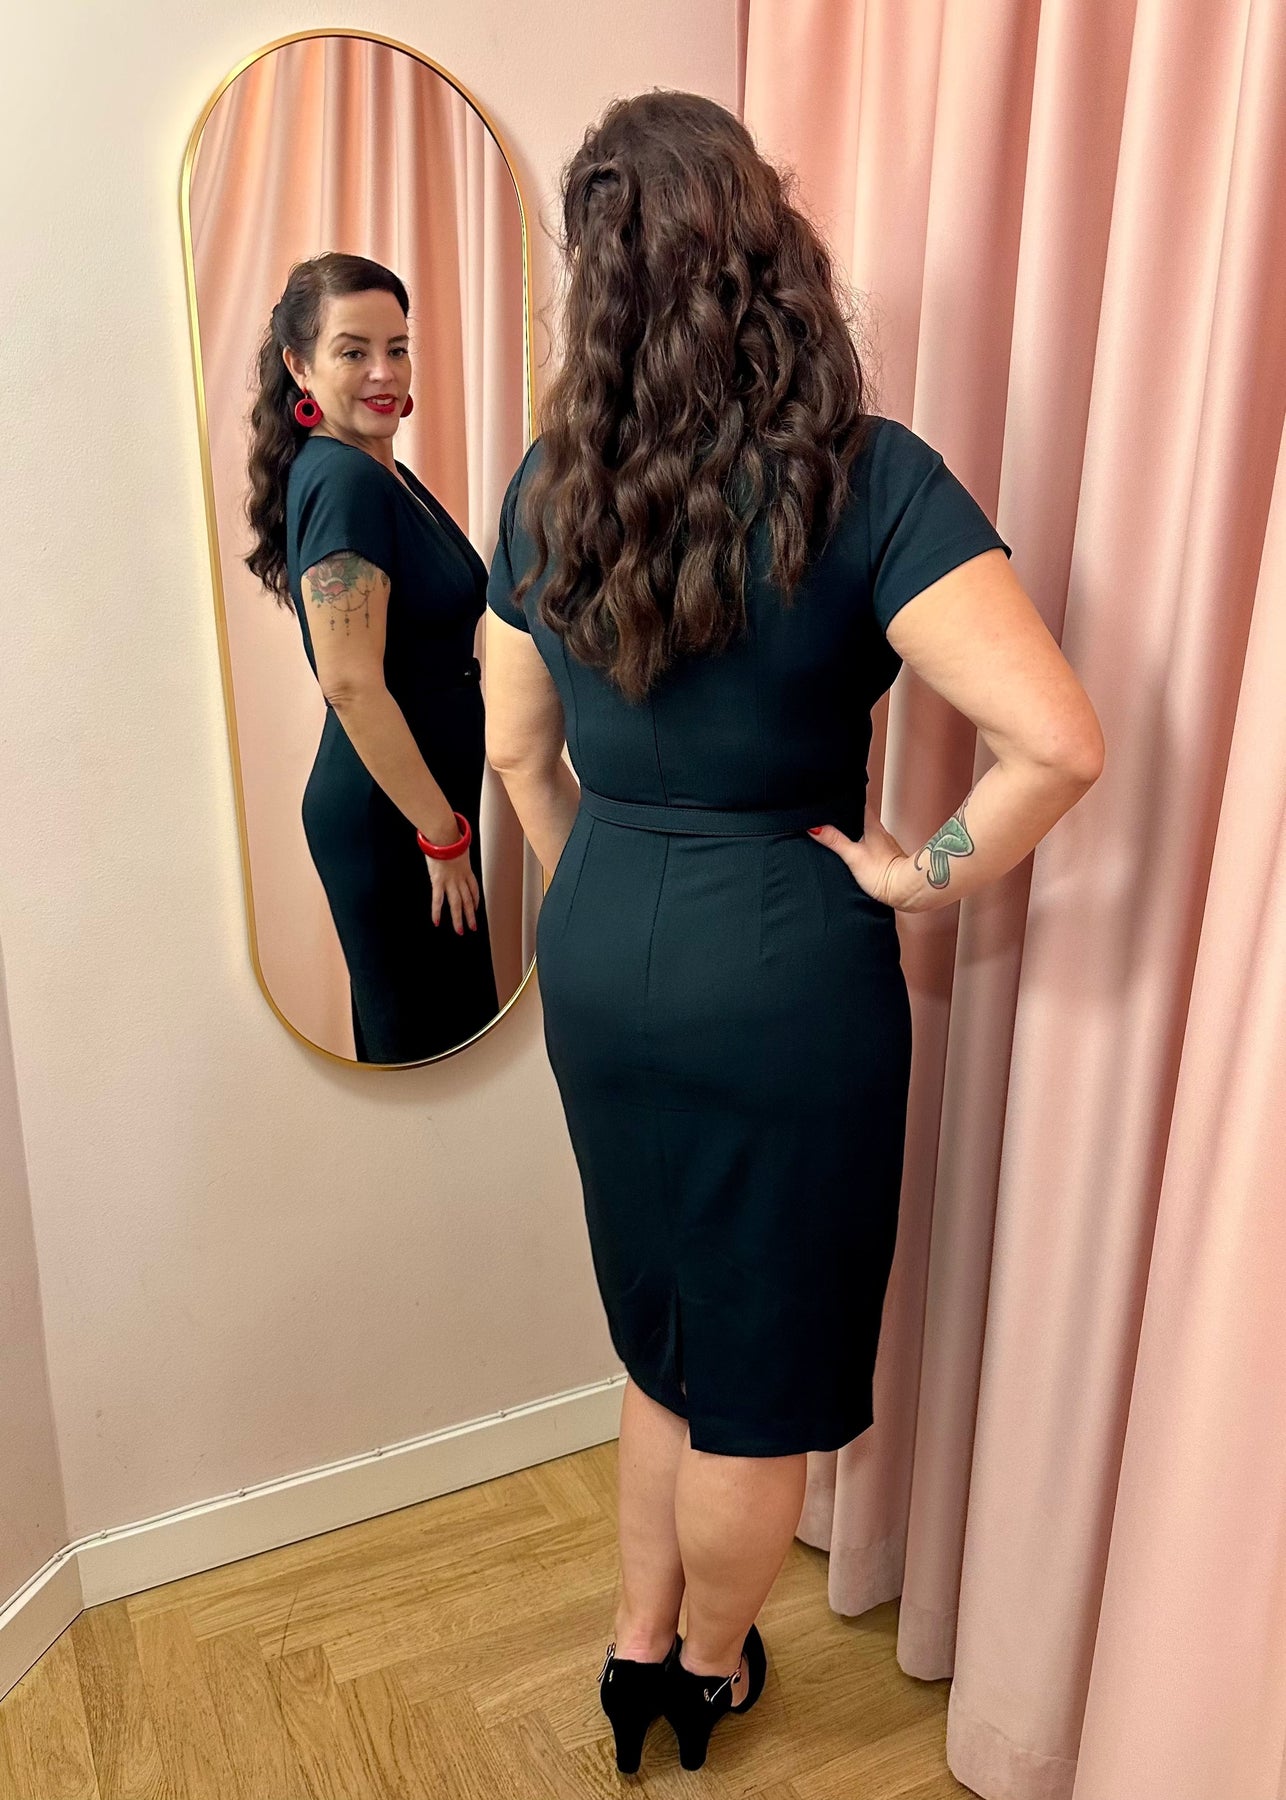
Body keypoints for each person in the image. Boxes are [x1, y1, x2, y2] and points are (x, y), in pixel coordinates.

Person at [484, 92, 1104, 1773]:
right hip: (781, 964)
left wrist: (601, 888)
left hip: (600, 951)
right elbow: (1056, 746)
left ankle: (632, 1653)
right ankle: (706, 1670)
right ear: (769, 245)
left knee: (663, 1341)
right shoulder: (865, 475)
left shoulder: (549, 481)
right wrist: (916, 876)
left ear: (598, 277)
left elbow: (518, 755)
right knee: (754, 1377)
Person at [244, 252, 499, 1063]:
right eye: (353, 351)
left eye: (397, 347)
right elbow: (352, 685)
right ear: (300, 365)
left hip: (418, 809)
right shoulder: (344, 482)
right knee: (424, 1050)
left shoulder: (375, 467)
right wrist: (442, 838)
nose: (383, 372)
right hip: (393, 822)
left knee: (446, 1041)